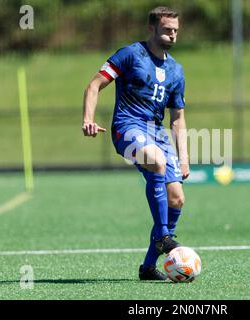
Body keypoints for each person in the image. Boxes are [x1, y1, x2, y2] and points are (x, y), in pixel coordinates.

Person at [82, 6, 189, 281]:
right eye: (167, 29)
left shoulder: (176, 70)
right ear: (152, 28)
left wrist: (185, 156)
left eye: (176, 30)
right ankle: (164, 236)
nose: (173, 34)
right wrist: (88, 118)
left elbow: (178, 118)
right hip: (126, 128)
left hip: (157, 134)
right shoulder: (130, 55)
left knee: (177, 197)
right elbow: (94, 85)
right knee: (156, 161)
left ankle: (148, 267)